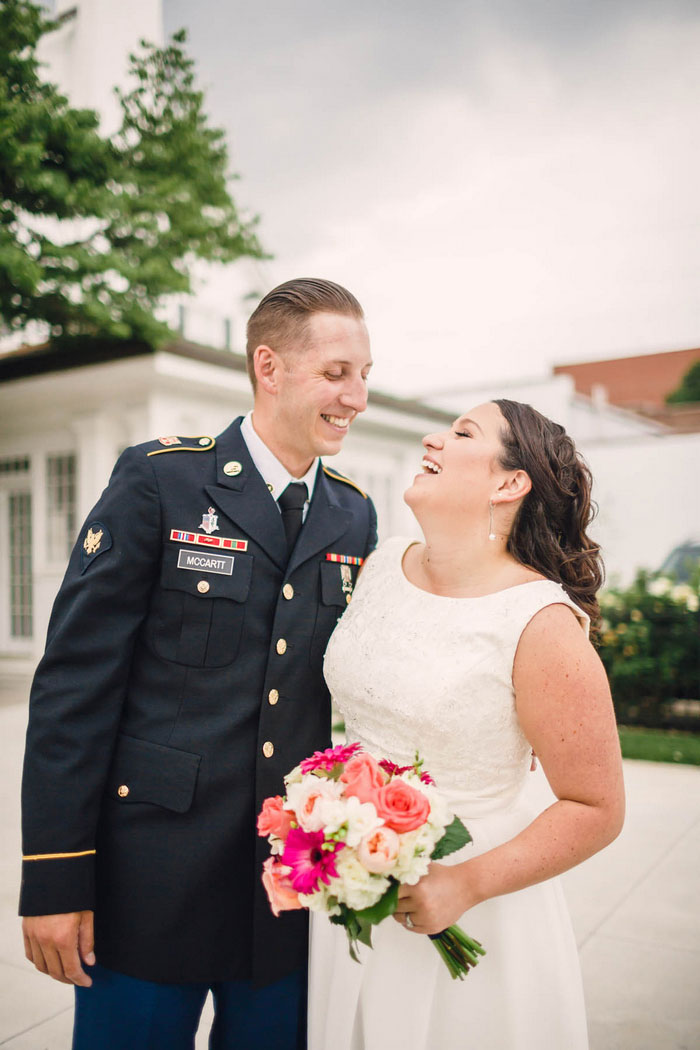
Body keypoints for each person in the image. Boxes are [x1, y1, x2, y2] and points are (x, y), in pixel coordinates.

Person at [20, 278, 377, 1050]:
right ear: (269, 366)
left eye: (365, 375)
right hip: (151, 883)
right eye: (338, 373)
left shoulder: (354, 512)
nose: (358, 397)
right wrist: (54, 877)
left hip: (285, 894)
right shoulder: (161, 480)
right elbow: (73, 689)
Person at [309, 399, 625, 1050]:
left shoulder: (539, 624)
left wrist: (464, 885)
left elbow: (597, 806)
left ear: (510, 483)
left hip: (473, 902)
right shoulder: (382, 564)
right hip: (352, 887)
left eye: (462, 433)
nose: (434, 438)